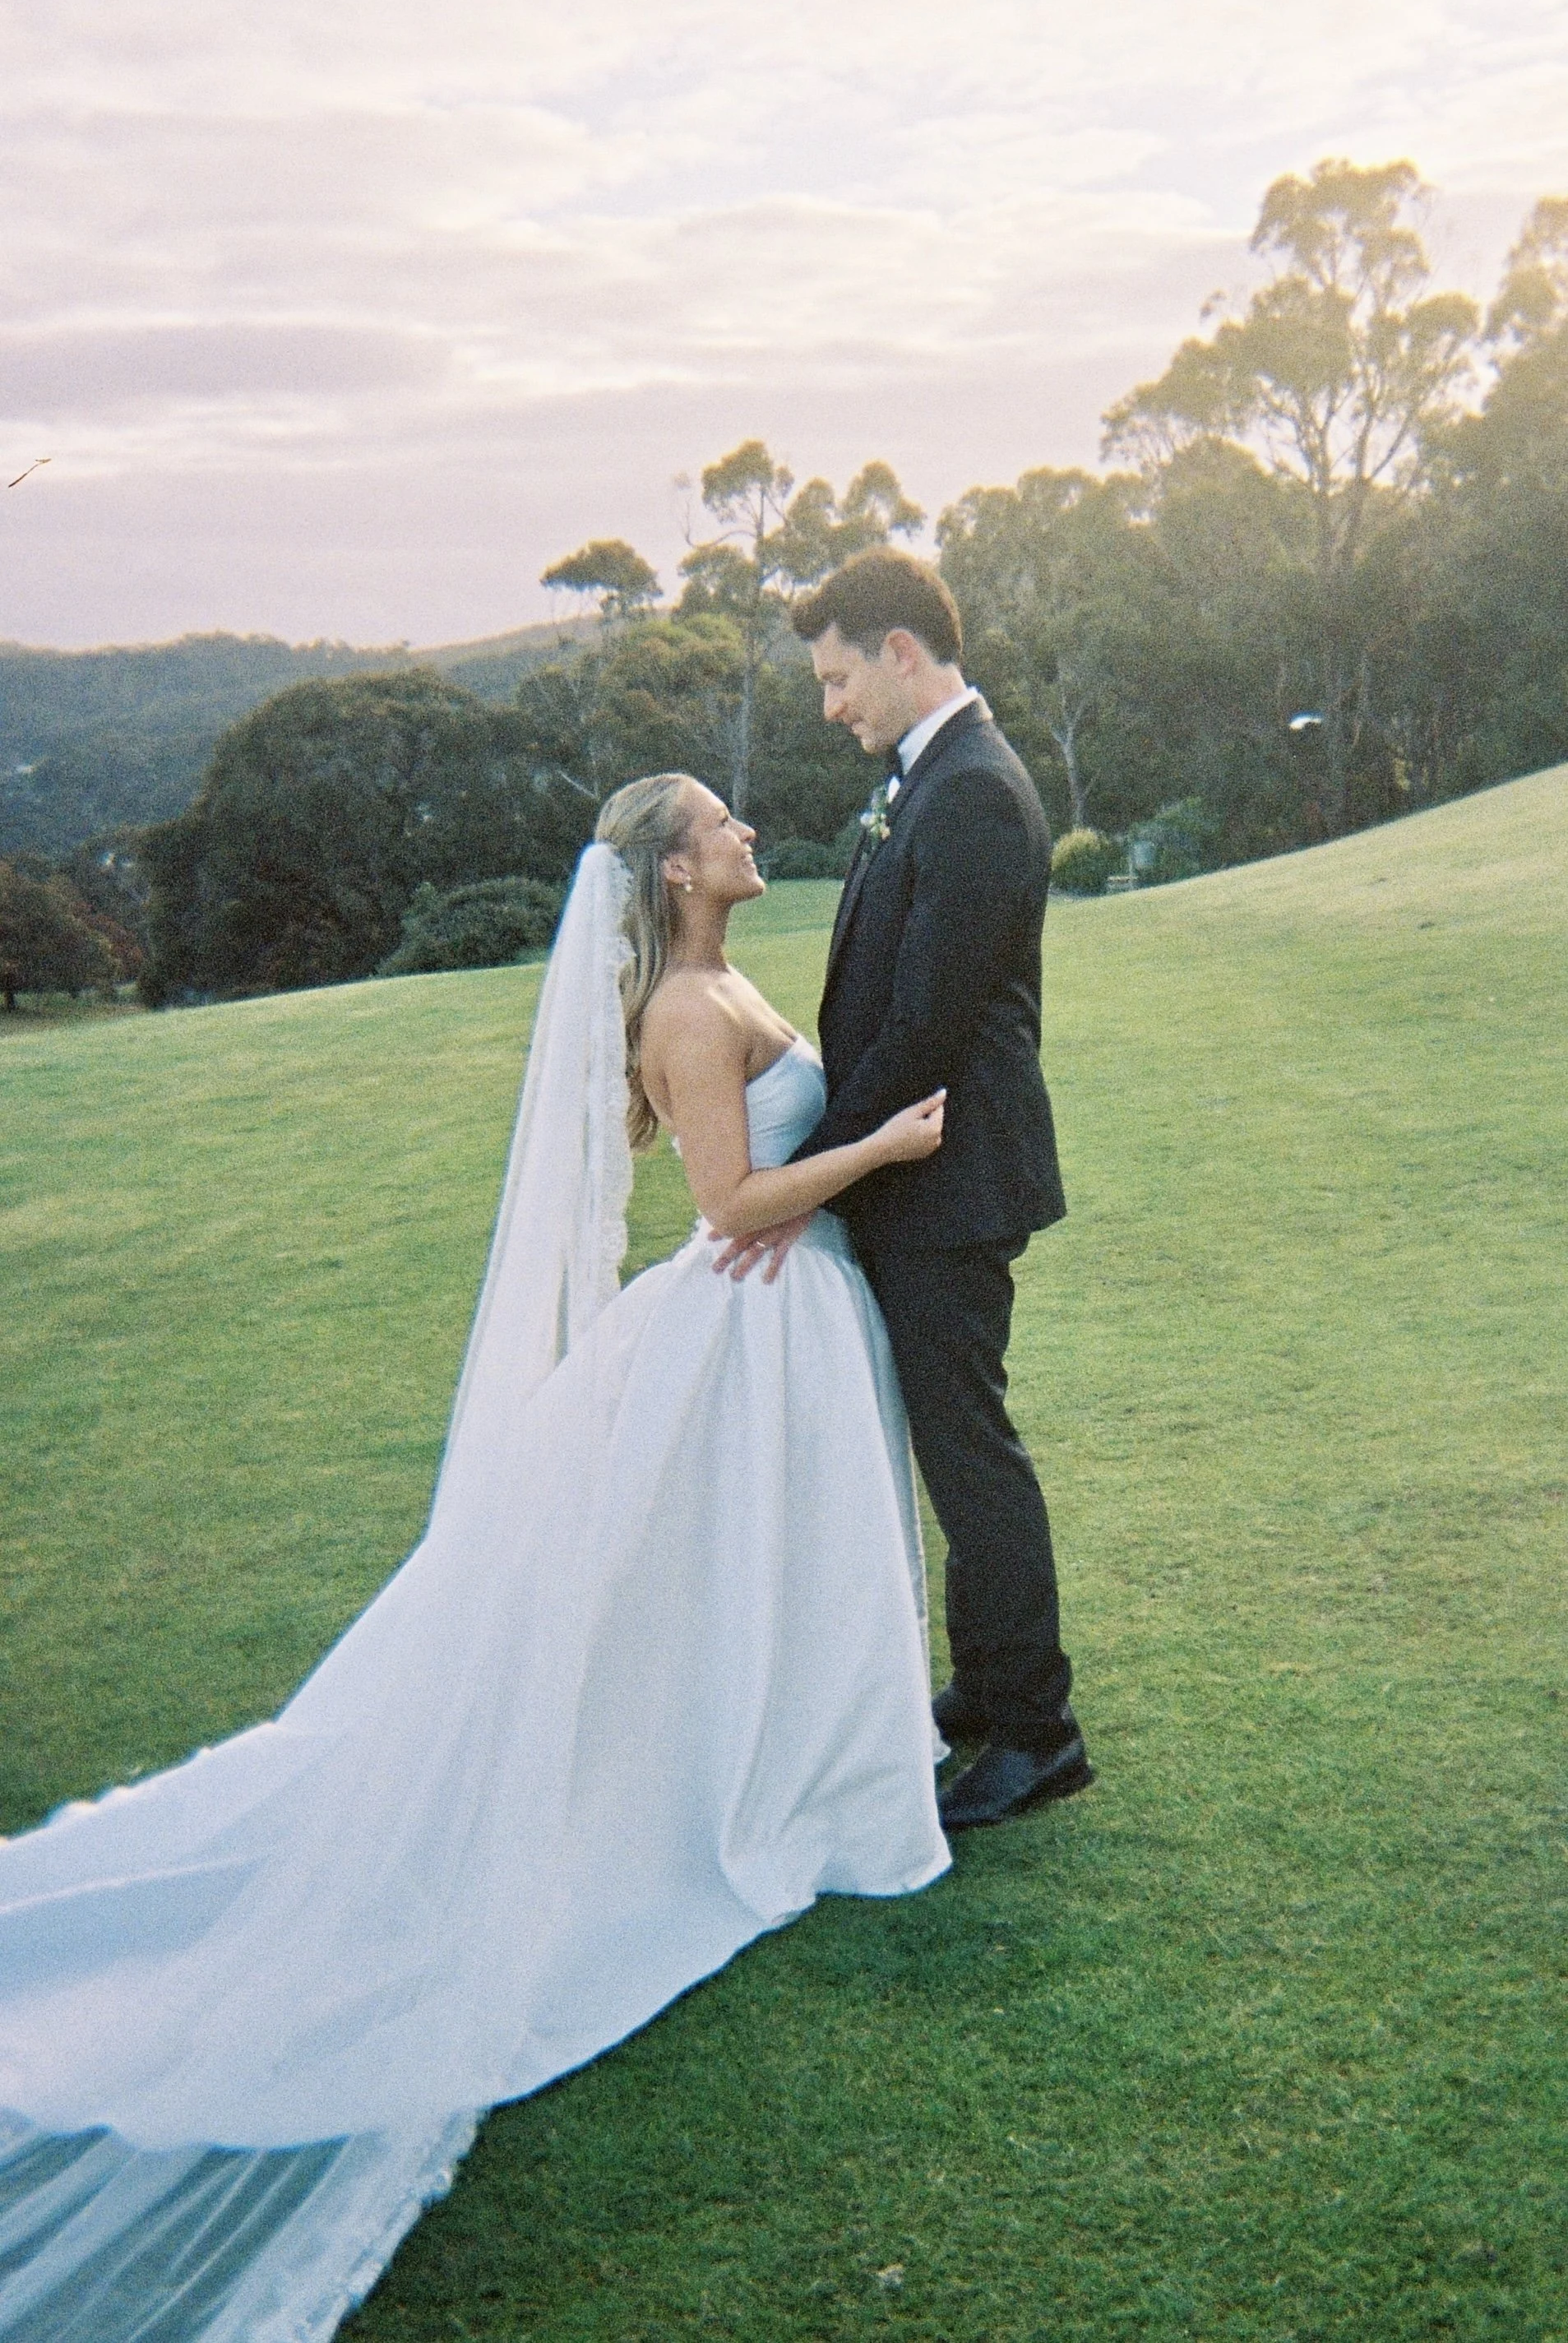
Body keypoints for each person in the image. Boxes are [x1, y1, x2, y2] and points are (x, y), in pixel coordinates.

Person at [0, 778, 950, 2343]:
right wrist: (885, 1147)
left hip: (791, 1324)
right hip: (747, 1325)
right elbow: (724, 1209)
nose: (748, 838)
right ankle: (760, 1789)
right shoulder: (692, 1014)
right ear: (671, 865)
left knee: (750, 1597)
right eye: (723, 826)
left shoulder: (721, 981)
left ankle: (803, 1763)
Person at [714, 548, 1091, 1832]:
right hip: (914, 1170)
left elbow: (927, 1022)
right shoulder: (922, 780)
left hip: (948, 1170)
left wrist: (807, 1181)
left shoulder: (973, 791)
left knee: (968, 1450)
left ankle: (1036, 1732)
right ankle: (984, 1690)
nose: (830, 707)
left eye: (835, 678)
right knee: (950, 1442)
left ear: (900, 653)